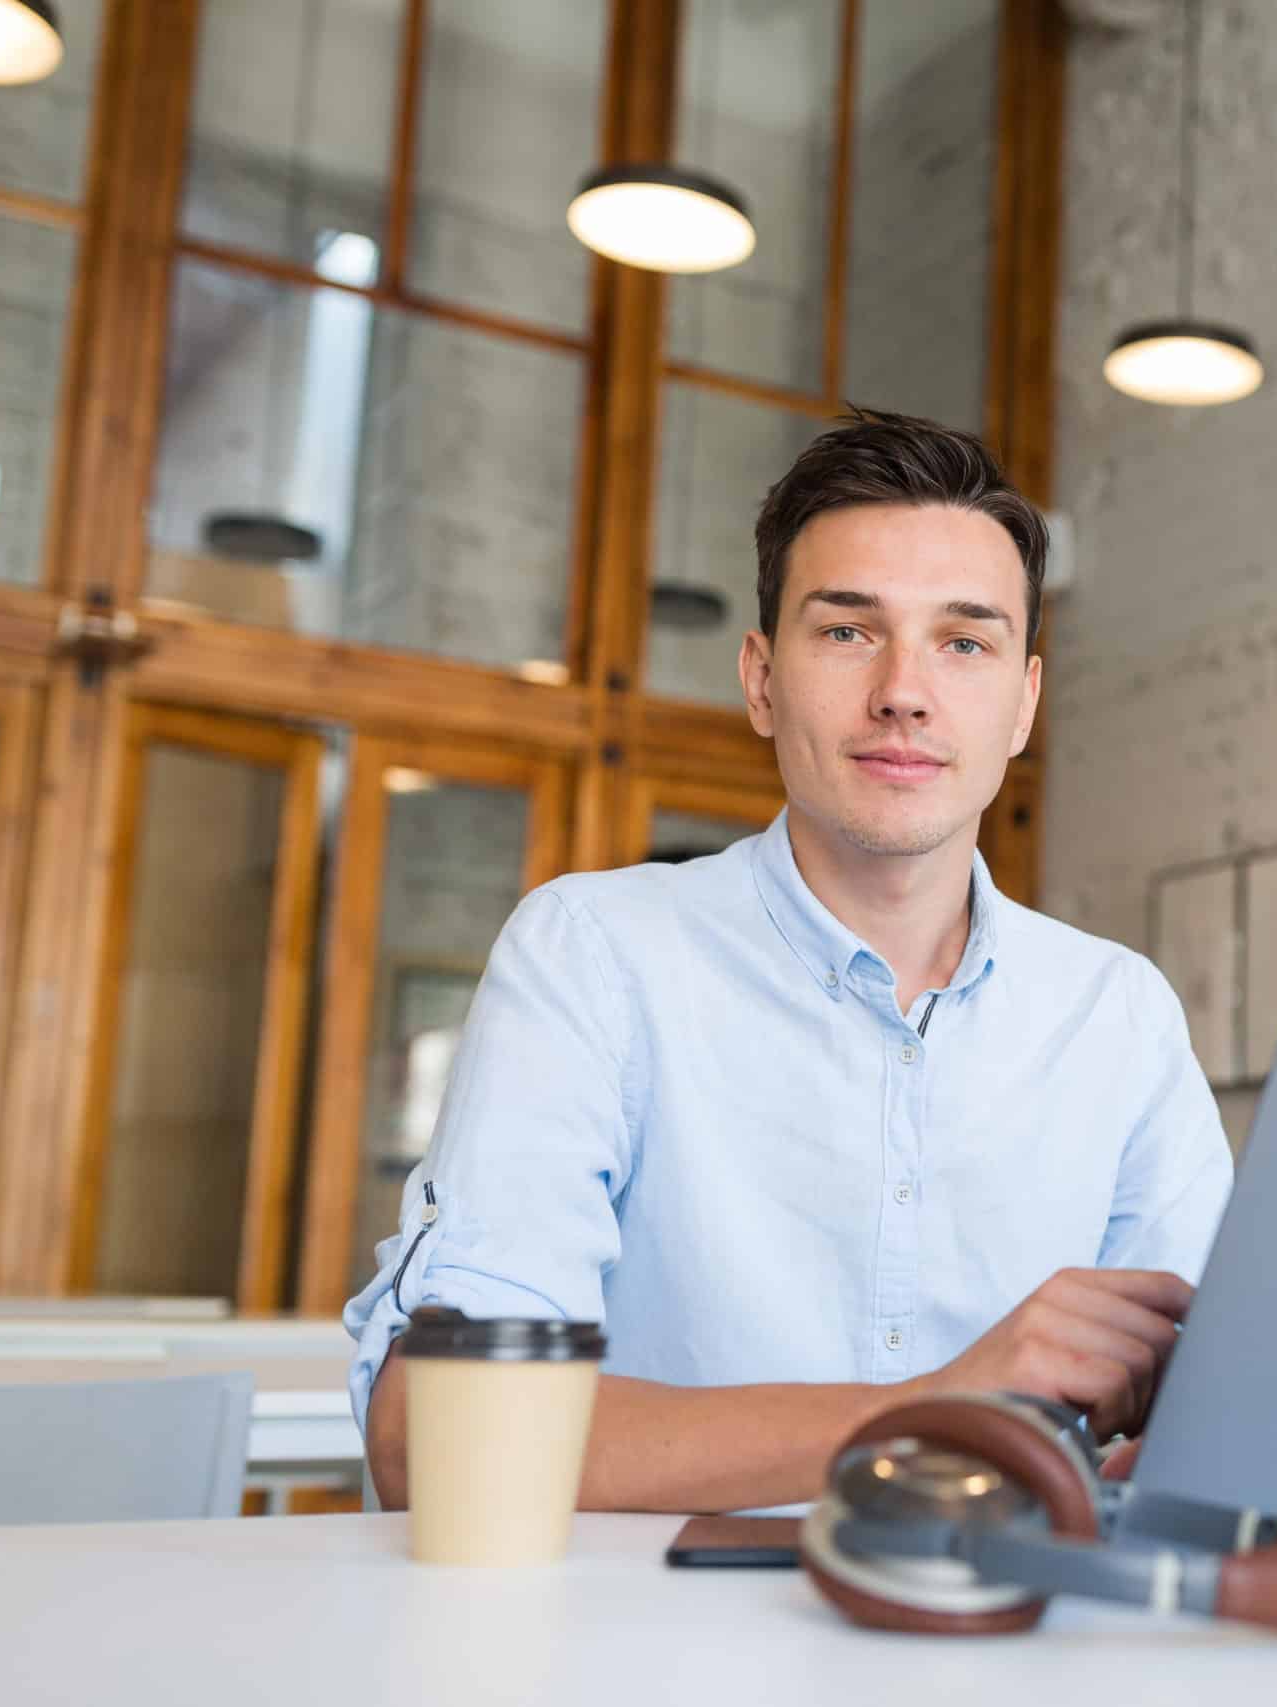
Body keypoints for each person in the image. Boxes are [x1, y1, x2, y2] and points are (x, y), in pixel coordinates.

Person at [343, 408, 1231, 1514]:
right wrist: (948, 1404)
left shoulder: (1118, 1015)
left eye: (965, 642)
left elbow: (1214, 1412)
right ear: (761, 681)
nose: (905, 689)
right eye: (849, 631)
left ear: (1024, 705)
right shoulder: (595, 955)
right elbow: (433, 1435)